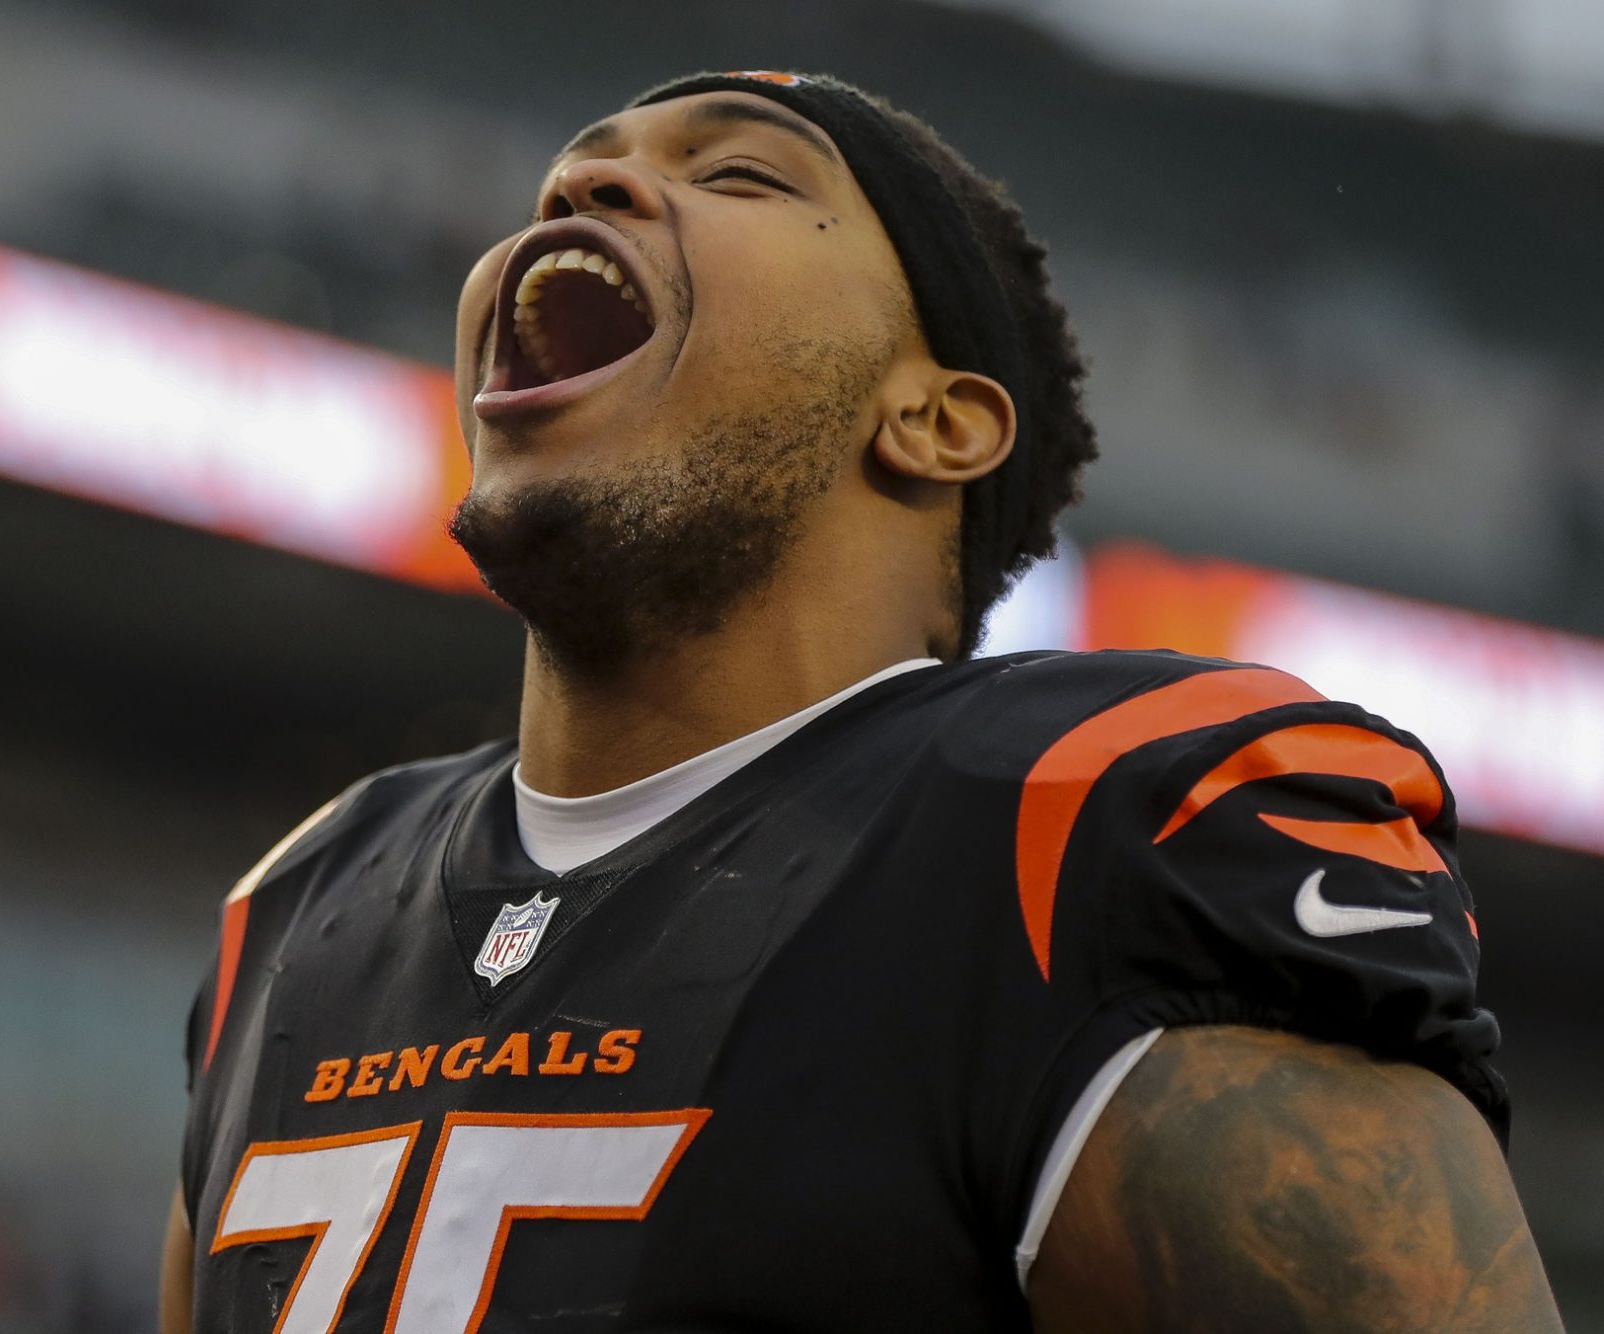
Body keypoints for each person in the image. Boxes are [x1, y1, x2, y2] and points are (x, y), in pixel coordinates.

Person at [160, 70, 1564, 1332]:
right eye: (573, 171)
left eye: (742, 176)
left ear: (936, 416)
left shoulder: (1072, 837)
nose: (585, 184)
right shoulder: (298, 912)